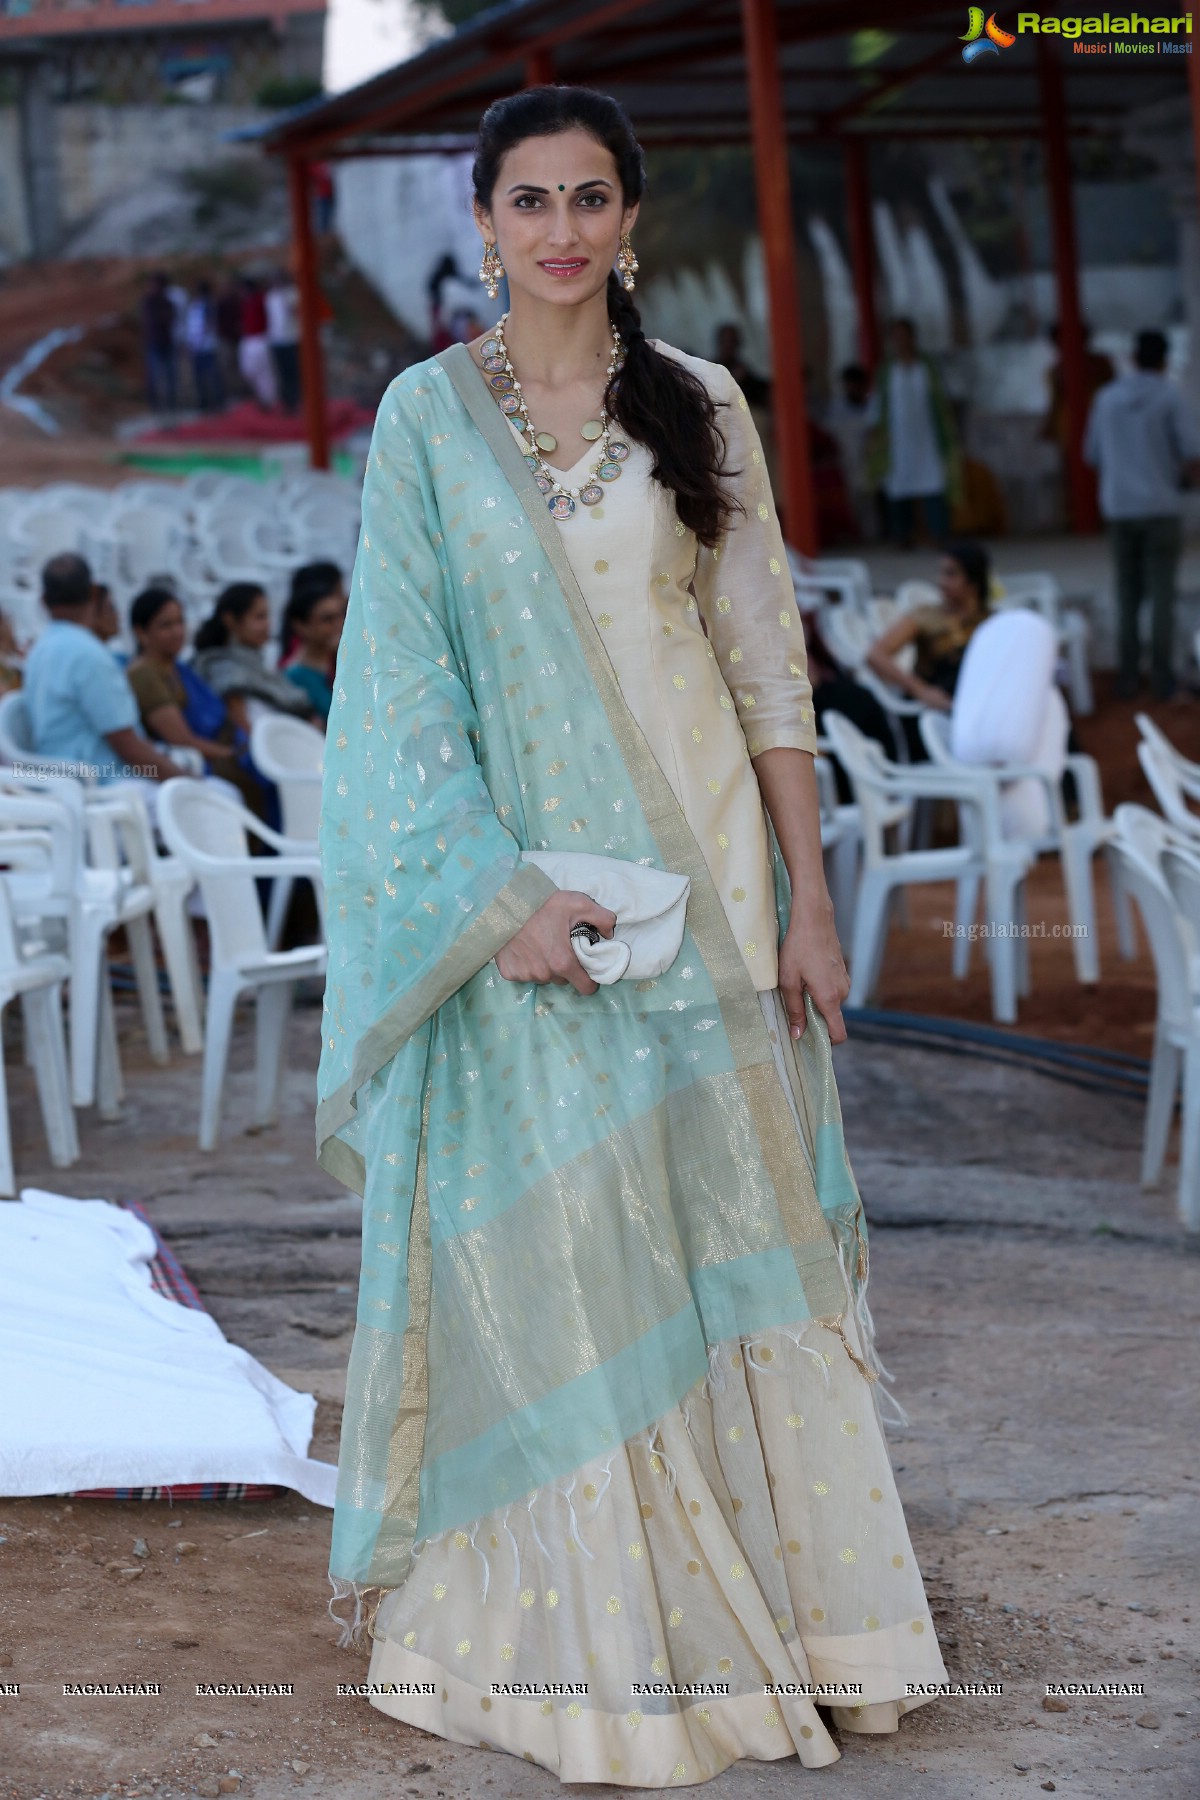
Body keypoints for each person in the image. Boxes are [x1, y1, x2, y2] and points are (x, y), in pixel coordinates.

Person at [318, 85, 947, 1784]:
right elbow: (394, 697)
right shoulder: (424, 421)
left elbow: (766, 670)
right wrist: (493, 897)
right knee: (576, 1251)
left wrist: (811, 900)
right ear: (483, 224)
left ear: (631, 221)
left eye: (590, 196)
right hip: (539, 912)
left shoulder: (703, 409)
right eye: (530, 199)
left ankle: (808, 1627)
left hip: (714, 903)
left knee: (726, 1230)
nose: (562, 229)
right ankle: (595, 1642)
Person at [1085, 328, 1200, 701]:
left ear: (1133, 358)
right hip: (1161, 506)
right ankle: (1163, 680)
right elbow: (1191, 452)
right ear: (1165, 361)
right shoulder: (1170, 396)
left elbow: (1093, 454)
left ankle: (1129, 676)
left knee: (1127, 592)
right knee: (1161, 595)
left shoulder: (1106, 398)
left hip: (1119, 507)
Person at [23, 555, 187, 786]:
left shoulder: (39, 650)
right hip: (102, 782)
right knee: (222, 795)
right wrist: (190, 783)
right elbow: (129, 747)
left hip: (62, 778)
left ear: (43, 601)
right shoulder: (88, 654)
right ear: (93, 593)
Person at [125, 586, 268, 814]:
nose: (178, 631)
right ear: (141, 632)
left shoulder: (177, 667)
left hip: (221, 747)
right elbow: (182, 739)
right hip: (199, 761)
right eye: (166, 625)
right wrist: (234, 754)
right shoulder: (145, 675)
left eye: (180, 622)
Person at [865, 541, 992, 760]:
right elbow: (876, 655)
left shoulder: (991, 621)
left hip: (976, 708)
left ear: (973, 582)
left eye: (951, 574)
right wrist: (920, 690)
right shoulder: (926, 616)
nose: (941, 582)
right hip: (931, 711)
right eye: (942, 574)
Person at [868, 318, 959, 549]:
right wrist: (875, 431)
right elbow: (878, 404)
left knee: (933, 481)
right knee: (898, 484)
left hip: (927, 435)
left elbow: (943, 399)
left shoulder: (927, 367)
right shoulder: (887, 370)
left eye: (904, 334)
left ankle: (940, 533)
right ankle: (902, 535)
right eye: (896, 335)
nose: (901, 340)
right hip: (897, 439)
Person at [191, 583, 317, 734]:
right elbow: (244, 728)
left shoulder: (252, 663)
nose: (268, 624)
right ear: (230, 620)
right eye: (259, 617)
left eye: (267, 616)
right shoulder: (225, 668)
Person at [278, 562, 345, 722]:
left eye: (340, 616)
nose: (339, 625)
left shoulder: (339, 658)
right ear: (300, 626)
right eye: (327, 619)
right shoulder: (294, 678)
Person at [826, 362, 877, 541]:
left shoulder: (873, 405)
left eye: (855, 384)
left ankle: (872, 535)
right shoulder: (836, 408)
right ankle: (854, 535)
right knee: (850, 500)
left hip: (869, 460)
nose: (852, 388)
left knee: (870, 500)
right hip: (846, 461)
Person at [140, 272, 178, 413]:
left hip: (165, 342)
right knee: (155, 376)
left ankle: (171, 404)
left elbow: (170, 318)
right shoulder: (148, 302)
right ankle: (155, 405)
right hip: (154, 343)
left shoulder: (167, 302)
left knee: (169, 375)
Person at [237, 276, 277, 410]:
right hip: (248, 339)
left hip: (261, 338)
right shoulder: (245, 301)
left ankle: (268, 400)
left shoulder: (261, 299)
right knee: (248, 370)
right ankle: (260, 396)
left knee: (264, 371)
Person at [265, 270, 302, 413]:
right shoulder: (270, 297)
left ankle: (296, 401)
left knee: (293, 372)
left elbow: (297, 312)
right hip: (277, 339)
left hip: (291, 338)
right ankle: (287, 403)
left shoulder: (292, 293)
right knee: (282, 373)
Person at [184, 281, 223, 412]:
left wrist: (198, 342)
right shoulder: (194, 306)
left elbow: (209, 324)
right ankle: (204, 402)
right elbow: (191, 327)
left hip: (207, 346)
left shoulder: (208, 305)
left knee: (212, 376)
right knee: (199, 377)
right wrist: (191, 344)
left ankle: (217, 402)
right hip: (196, 346)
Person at [713, 320, 770, 407]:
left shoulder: (742, 369)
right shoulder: (712, 369)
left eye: (732, 342)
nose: (729, 346)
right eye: (726, 342)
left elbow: (757, 391)